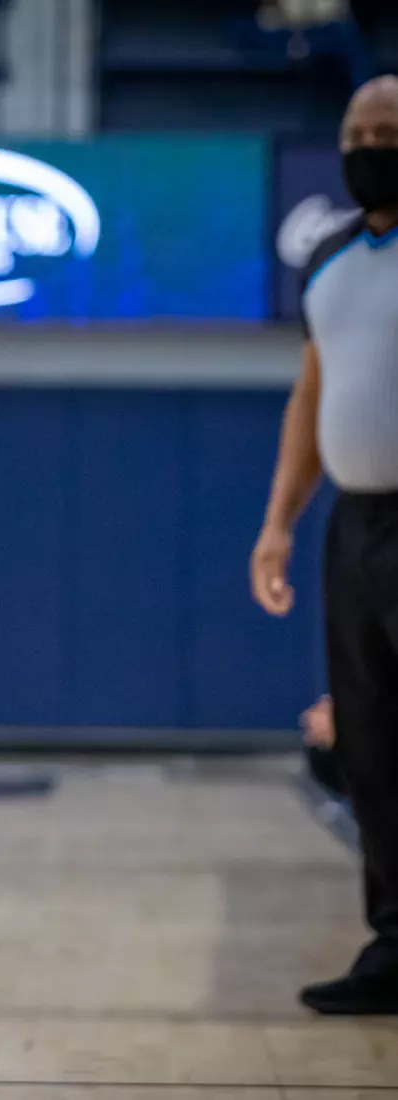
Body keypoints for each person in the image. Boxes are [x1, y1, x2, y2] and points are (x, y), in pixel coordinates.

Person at [251, 74, 398, 1015]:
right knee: (373, 742)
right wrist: (279, 523)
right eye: (358, 128)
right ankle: (394, 944)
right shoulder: (333, 262)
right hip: (355, 526)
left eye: (388, 127)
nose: (370, 140)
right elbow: (312, 399)